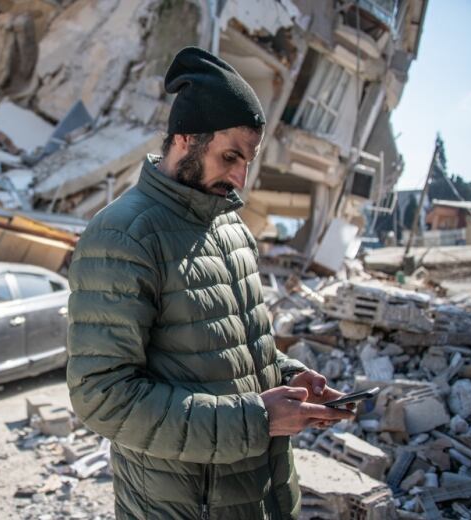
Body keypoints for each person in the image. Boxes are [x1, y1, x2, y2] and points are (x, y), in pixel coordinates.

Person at [66, 47, 354, 520]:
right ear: (185, 138)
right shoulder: (123, 234)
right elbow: (103, 396)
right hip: (182, 505)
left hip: (262, 494)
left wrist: (287, 380)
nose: (241, 176)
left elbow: (235, 345)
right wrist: (257, 418)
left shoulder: (231, 228)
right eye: (230, 156)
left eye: (249, 160)